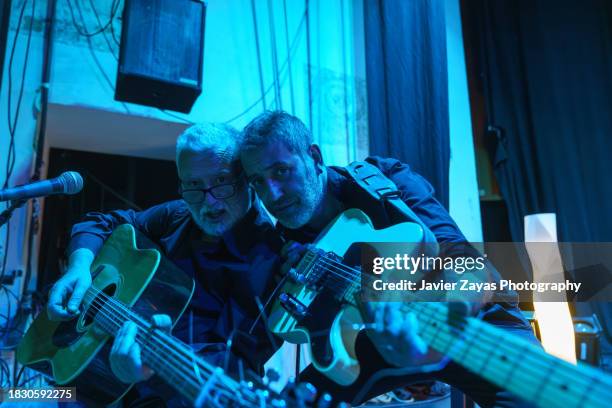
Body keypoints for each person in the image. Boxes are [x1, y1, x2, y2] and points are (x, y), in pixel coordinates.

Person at [240, 110, 540, 407]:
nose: (273, 195)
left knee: (542, 399)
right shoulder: (287, 242)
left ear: (315, 158)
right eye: (258, 182)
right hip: (373, 344)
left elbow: (464, 262)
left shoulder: (381, 180)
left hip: (464, 320)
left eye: (281, 171)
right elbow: (273, 333)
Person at [47, 123, 283, 407]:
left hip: (169, 397)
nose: (209, 203)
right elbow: (101, 222)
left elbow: (234, 365)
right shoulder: (177, 215)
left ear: (245, 178)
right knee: (33, 396)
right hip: (95, 375)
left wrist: (149, 369)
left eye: (221, 181)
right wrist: (79, 267)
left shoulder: (270, 260)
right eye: (193, 185)